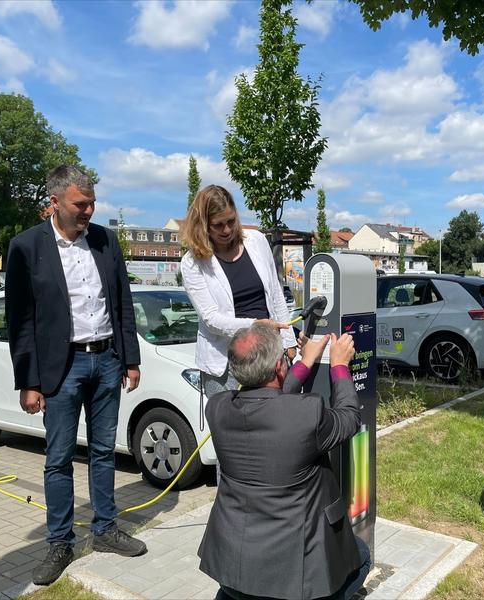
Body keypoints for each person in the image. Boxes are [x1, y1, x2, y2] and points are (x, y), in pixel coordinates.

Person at [5, 165, 147, 586]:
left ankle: (104, 529)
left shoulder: (106, 240)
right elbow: (21, 320)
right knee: (59, 458)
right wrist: (28, 381)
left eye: (92, 203)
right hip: (60, 367)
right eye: (80, 204)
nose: (88, 211)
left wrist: (131, 358)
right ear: (54, 202)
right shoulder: (27, 247)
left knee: (104, 450)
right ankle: (60, 541)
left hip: (106, 361)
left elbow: (121, 302)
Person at [198, 324, 371, 600]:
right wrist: (339, 366)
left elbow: (266, 398)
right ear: (280, 367)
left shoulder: (217, 408)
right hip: (296, 578)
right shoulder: (306, 414)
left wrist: (305, 362)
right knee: (361, 557)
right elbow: (349, 418)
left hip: (233, 567)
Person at [180, 184, 296, 405]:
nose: (226, 230)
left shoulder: (256, 241)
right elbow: (211, 319)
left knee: (274, 425)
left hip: (269, 355)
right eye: (218, 225)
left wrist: (289, 344)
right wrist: (256, 324)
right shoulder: (193, 262)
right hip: (226, 364)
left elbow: (275, 294)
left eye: (231, 221)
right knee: (234, 430)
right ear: (203, 225)